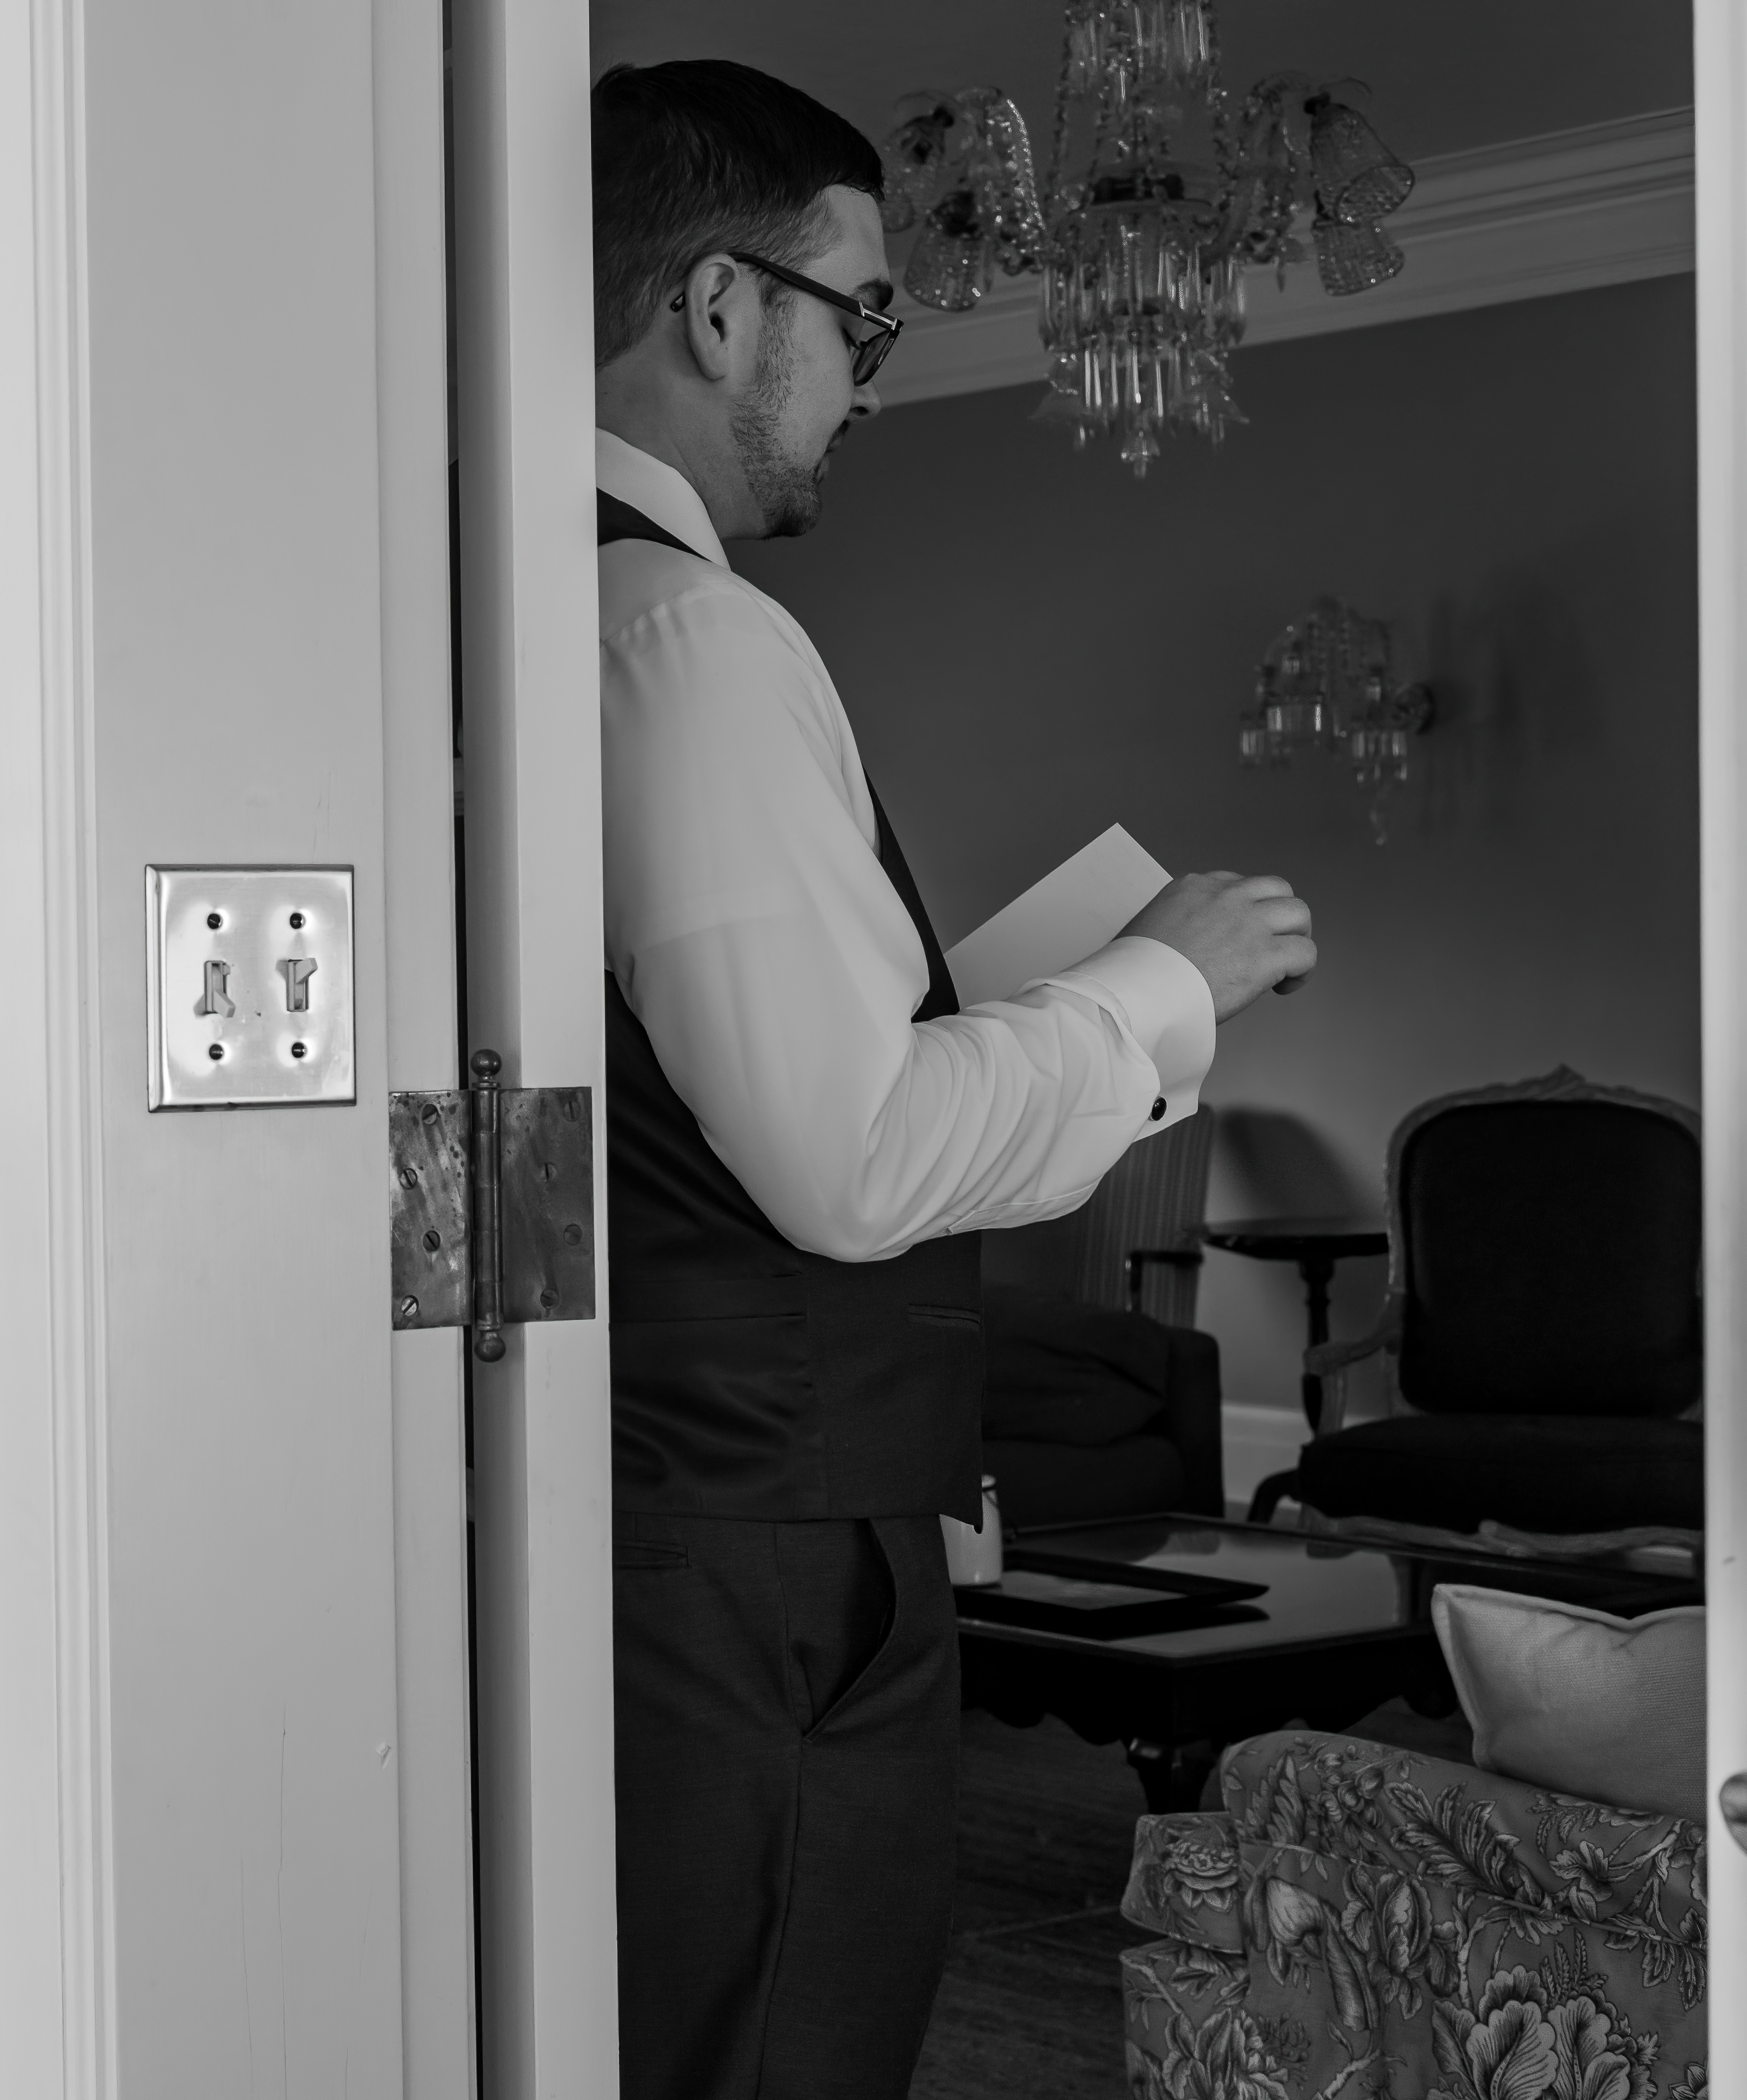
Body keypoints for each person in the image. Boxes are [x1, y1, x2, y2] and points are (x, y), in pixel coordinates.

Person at [589, 61, 1316, 2100]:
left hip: (659, 1513)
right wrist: (1159, 992)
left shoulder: (498, 607)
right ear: (722, 310)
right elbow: (850, 1157)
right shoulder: (690, 648)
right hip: (757, 1554)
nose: (876, 382)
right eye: (864, 317)